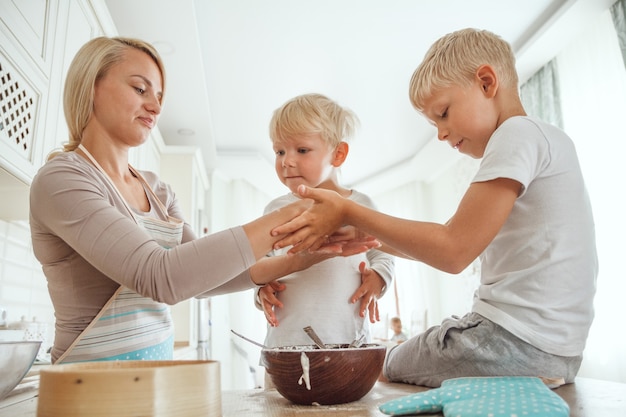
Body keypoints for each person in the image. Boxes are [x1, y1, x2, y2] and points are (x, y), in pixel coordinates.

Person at [270, 28, 598, 387]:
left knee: (381, 363)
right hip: (558, 351)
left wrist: (349, 212)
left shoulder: (515, 134)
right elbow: (451, 241)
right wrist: (368, 237)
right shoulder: (548, 138)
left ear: (487, 83)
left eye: (443, 113)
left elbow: (453, 250)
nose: (440, 134)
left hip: (510, 340)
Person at [29, 37, 376, 364]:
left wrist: (304, 260)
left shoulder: (158, 191)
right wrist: (306, 208)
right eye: (140, 88)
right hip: (84, 386)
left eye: (160, 95)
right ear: (92, 87)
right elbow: (161, 277)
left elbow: (207, 279)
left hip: (153, 375)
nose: (156, 105)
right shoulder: (62, 180)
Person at [251, 93, 395, 351]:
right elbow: (259, 265)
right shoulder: (276, 210)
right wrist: (262, 292)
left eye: (302, 150)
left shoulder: (360, 206)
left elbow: (384, 253)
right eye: (279, 151)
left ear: (338, 154)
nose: (287, 161)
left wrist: (378, 279)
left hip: (349, 343)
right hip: (285, 346)